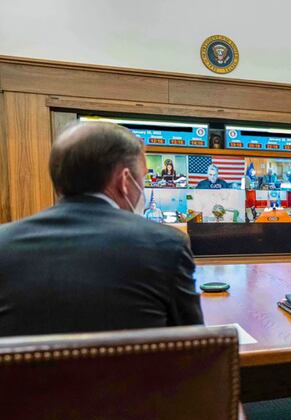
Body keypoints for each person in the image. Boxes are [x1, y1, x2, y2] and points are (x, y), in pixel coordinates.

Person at [0, 121, 203, 336]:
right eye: (143, 177)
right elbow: (196, 349)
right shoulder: (166, 245)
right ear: (125, 181)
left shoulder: (4, 243)